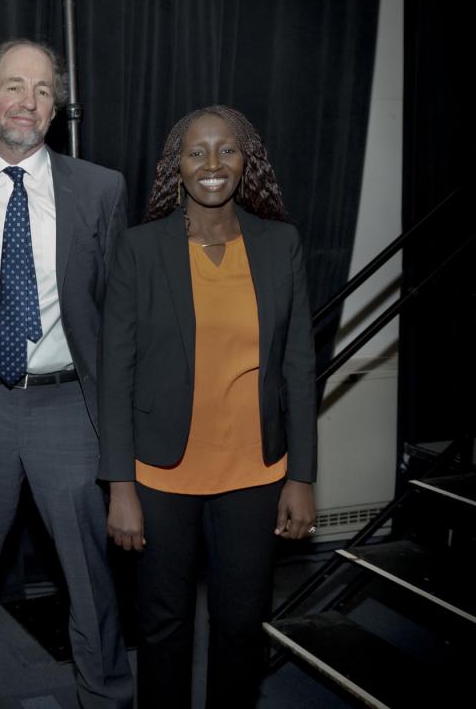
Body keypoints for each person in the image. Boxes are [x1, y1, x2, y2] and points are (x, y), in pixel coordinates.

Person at [0, 40, 133, 708]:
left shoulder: (101, 190)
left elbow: (117, 314)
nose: (29, 101)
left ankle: (103, 694)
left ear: (56, 107)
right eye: (14, 86)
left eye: (44, 90)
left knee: (88, 574)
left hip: (67, 407)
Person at [99, 105, 317, 707]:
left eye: (227, 150)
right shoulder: (140, 250)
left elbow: (298, 366)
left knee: (242, 625)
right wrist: (120, 486)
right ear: (178, 166)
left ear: (247, 163)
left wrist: (301, 475)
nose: (213, 165)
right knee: (164, 626)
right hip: (162, 476)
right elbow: (115, 376)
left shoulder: (281, 244)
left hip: (256, 474)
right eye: (197, 152)